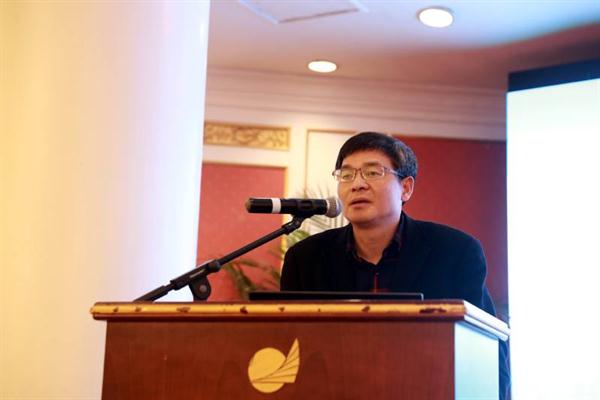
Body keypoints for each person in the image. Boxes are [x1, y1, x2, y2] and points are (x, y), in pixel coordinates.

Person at [280, 131, 510, 399]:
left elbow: (487, 351)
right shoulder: (306, 258)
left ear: (406, 188)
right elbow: (286, 346)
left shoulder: (454, 252)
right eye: (346, 175)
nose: (357, 184)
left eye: (372, 173)